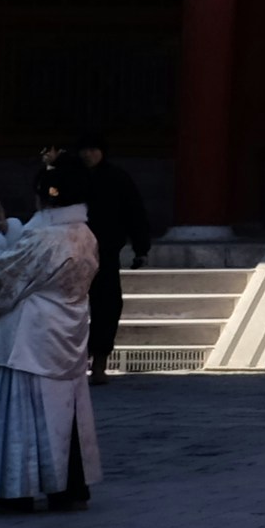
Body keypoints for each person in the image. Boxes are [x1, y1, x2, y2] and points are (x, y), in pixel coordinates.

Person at [0, 167, 100, 513]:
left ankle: (15, 490)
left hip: (32, 334)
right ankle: (68, 486)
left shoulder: (45, 239)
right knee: (69, 410)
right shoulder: (84, 234)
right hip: (70, 327)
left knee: (22, 409)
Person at [60, 139, 153, 377]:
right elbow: (49, 199)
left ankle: (100, 358)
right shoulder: (67, 177)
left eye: (93, 149)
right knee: (67, 305)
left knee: (107, 305)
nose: (88, 154)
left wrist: (141, 248)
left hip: (106, 251)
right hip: (71, 252)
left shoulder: (118, 178)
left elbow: (134, 212)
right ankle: (72, 359)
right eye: (84, 149)